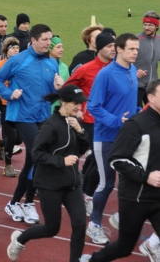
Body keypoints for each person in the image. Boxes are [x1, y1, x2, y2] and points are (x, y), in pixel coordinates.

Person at [79, 79, 160, 262]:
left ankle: (150, 246)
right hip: (136, 197)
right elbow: (116, 159)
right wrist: (146, 177)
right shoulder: (136, 125)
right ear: (151, 98)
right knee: (124, 248)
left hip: (158, 196)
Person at [7, 85, 90, 261]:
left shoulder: (74, 122)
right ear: (63, 103)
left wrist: (80, 131)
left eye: (81, 103)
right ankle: (20, 239)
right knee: (52, 228)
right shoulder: (50, 125)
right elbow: (36, 153)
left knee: (80, 223)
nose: (79, 107)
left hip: (72, 183)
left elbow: (83, 148)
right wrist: (62, 161)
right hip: (50, 184)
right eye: (75, 103)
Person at [0, 24, 64, 225]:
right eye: (45, 39)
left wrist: (59, 89)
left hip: (43, 115)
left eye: (50, 39)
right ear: (33, 40)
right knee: (38, 156)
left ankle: (16, 202)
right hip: (23, 115)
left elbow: (50, 95)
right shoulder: (18, 60)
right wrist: (9, 94)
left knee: (32, 160)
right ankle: (29, 202)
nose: (48, 43)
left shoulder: (52, 63)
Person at [85, 33, 139, 245]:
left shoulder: (132, 70)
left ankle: (119, 217)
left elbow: (128, 102)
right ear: (119, 49)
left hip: (129, 137)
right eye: (131, 49)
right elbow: (93, 106)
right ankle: (94, 225)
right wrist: (116, 121)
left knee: (135, 179)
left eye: (137, 49)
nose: (135, 53)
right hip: (106, 138)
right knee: (106, 184)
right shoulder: (105, 75)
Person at [65, 32, 116, 215]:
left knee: (104, 159)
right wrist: (77, 107)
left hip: (110, 121)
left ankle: (84, 188)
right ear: (100, 48)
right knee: (96, 158)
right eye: (110, 46)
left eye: (115, 46)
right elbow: (68, 87)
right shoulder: (86, 69)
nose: (113, 49)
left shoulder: (116, 67)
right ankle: (86, 195)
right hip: (89, 121)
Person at [0, 37, 23, 177]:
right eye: (13, 48)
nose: (16, 50)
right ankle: (8, 165)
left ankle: (0, 143)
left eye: (17, 48)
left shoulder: (22, 64)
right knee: (12, 136)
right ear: (6, 50)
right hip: (5, 104)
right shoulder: (1, 65)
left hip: (19, 104)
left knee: (19, 138)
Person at [135, 11, 160, 107]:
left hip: (152, 85)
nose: (146, 27)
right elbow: (122, 60)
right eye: (145, 25)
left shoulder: (159, 40)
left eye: (150, 25)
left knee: (154, 113)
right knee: (136, 113)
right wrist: (134, 71)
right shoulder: (135, 40)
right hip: (137, 85)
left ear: (156, 26)